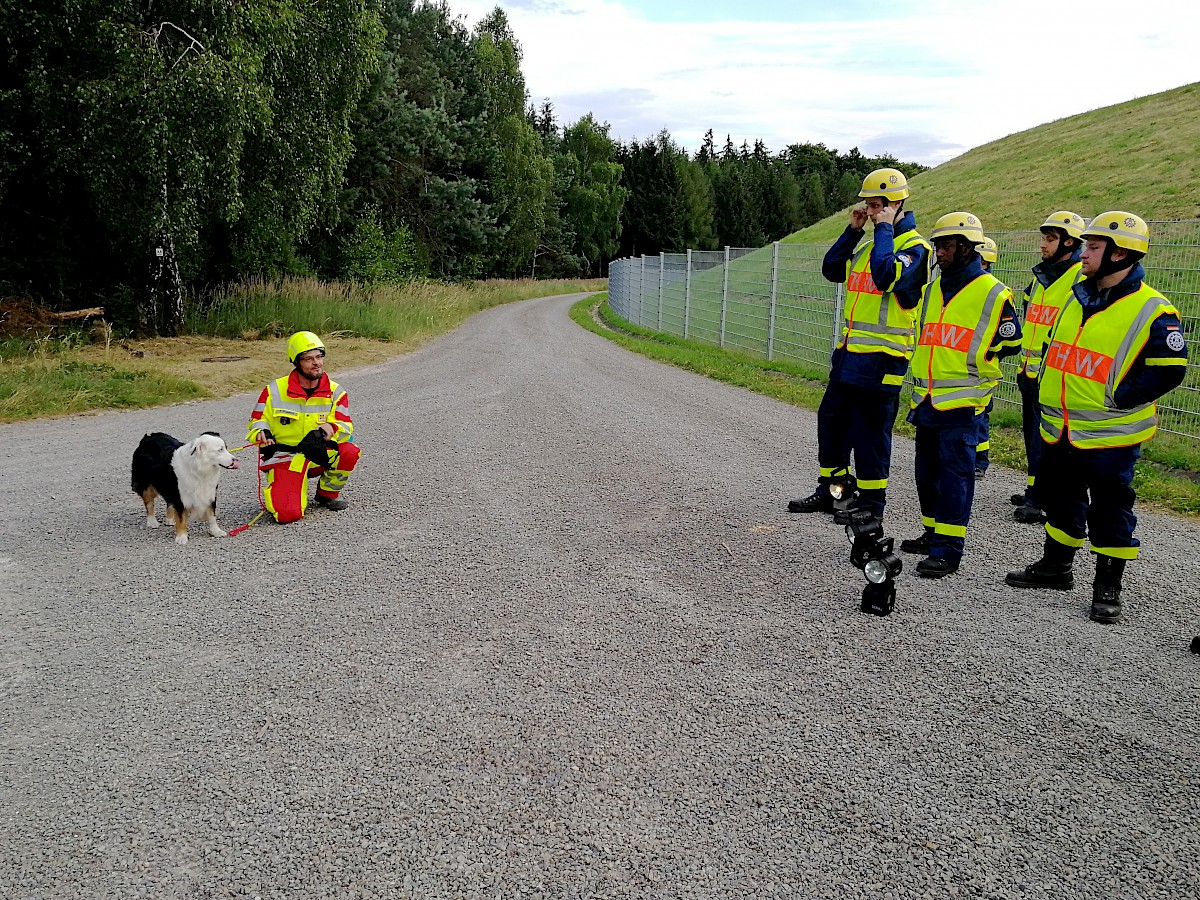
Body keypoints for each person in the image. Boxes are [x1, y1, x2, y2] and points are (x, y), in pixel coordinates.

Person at [1005, 212, 1187, 623]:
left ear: (1120, 253)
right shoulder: (1076, 296)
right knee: (1060, 498)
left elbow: (1170, 368)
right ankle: (1056, 567)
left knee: (1109, 508)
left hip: (1110, 435)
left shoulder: (1153, 309)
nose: (1083, 253)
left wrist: (1118, 398)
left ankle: (1108, 585)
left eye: (1092, 247)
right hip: (1062, 426)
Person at [788, 167, 932, 522]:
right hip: (850, 355)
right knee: (832, 424)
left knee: (870, 435)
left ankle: (871, 505)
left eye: (877, 204)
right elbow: (832, 268)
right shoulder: (871, 244)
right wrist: (853, 231)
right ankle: (835, 494)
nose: (870, 211)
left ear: (897, 204)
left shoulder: (916, 249)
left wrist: (884, 227)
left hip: (884, 359)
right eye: (867, 206)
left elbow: (885, 277)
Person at [899, 212, 1022, 578]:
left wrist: (981, 355)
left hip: (964, 402)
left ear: (968, 248)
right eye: (938, 245)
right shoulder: (935, 287)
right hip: (927, 399)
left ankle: (948, 551)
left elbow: (1011, 341)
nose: (940, 251)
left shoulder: (994, 292)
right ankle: (932, 533)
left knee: (955, 477)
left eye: (948, 245)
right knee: (926, 474)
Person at [1009, 211, 1086, 524]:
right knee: (1033, 436)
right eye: (1044, 237)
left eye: (1050, 239)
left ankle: (1043, 499)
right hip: (1030, 370)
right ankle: (1034, 490)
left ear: (1069, 242)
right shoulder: (1043, 275)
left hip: (1053, 374)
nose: (1042, 245)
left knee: (1051, 441)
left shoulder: (1079, 277)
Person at [246, 331, 361, 523]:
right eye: (309, 359)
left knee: (349, 451)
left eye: (319, 356)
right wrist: (262, 432)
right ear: (296, 362)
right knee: (287, 515)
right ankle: (288, 488)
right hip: (286, 457)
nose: (316, 363)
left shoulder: (336, 391)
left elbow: (345, 425)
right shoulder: (274, 390)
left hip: (318, 453)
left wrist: (329, 428)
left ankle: (326, 495)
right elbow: (256, 421)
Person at [974, 236, 1000, 479]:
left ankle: (980, 461)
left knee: (980, 415)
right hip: (971, 366)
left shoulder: (990, 291)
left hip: (983, 368)